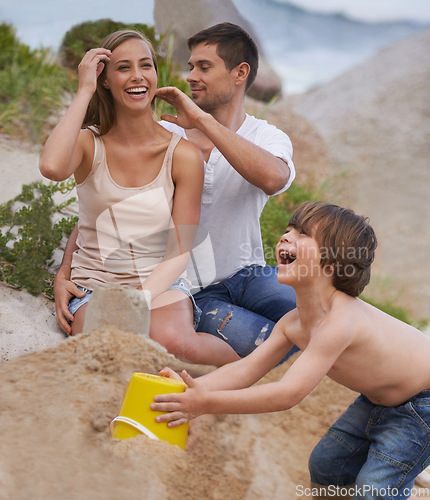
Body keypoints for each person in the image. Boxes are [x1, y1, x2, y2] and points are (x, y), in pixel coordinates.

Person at [152, 201, 430, 500]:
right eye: (288, 230)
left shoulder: (341, 321)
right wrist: (187, 389)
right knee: (327, 468)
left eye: (303, 234)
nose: (286, 237)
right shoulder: (292, 323)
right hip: (379, 400)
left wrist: (206, 403)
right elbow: (245, 370)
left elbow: (288, 394)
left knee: (375, 488)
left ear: (333, 263)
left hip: (423, 404)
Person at [54, 22, 298, 362]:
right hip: (195, 288)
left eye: (204, 67)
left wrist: (201, 121)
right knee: (276, 345)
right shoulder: (163, 131)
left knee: (321, 312)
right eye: (190, 66)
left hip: (248, 274)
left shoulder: (265, 136)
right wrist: (64, 273)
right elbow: (105, 210)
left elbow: (273, 178)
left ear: (239, 73)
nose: (191, 76)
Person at [39, 30, 239, 366]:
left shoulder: (183, 154)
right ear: (105, 80)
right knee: (103, 348)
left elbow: (180, 248)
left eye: (146, 65)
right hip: (94, 287)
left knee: (179, 346)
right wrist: (84, 89)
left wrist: (141, 298)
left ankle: (255, 375)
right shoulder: (89, 144)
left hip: (161, 283)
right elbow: (51, 166)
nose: (137, 76)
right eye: (123, 68)